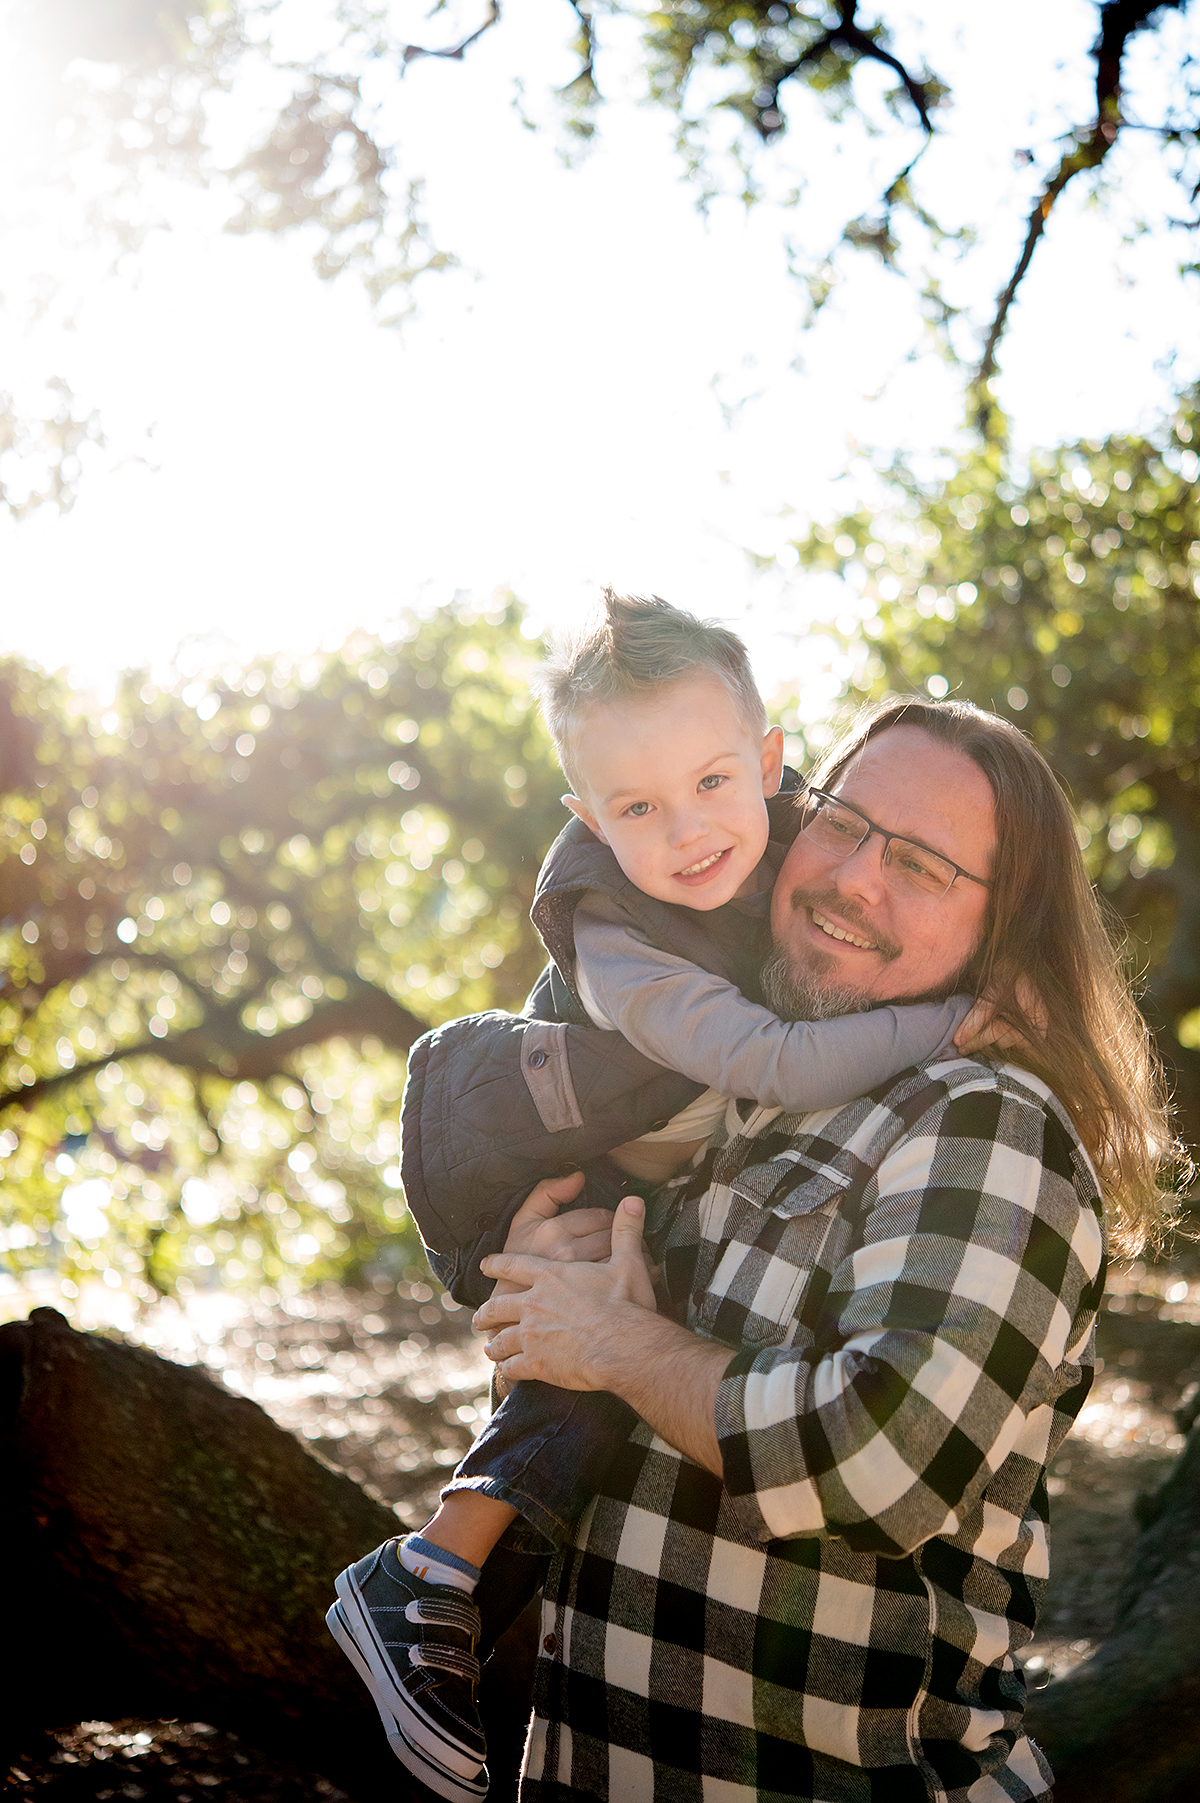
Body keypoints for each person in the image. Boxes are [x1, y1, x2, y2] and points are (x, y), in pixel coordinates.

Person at [327, 598, 999, 1801]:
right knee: (584, 1349)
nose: (687, 833)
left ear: (775, 765)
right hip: (533, 1157)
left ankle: (481, 1615)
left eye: (709, 783)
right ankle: (426, 1571)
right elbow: (774, 1062)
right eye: (637, 809)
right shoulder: (618, 940)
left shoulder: (804, 849)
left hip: (655, 1165)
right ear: (587, 819)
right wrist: (958, 1020)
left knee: (630, 1361)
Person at [469, 697, 1177, 1803]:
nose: (856, 878)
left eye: (924, 864)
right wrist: (541, 1291)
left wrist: (615, 1341)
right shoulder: (734, 1082)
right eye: (843, 822)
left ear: (1005, 927)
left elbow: (877, 1464)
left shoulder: (980, 1122)